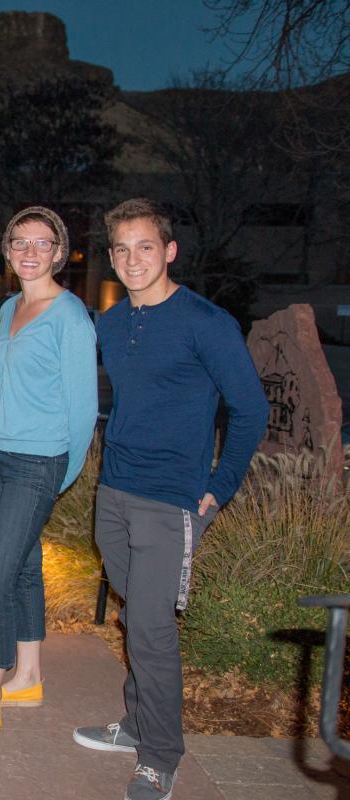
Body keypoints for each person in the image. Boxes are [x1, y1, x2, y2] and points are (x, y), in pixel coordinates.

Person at [73, 199, 268, 800]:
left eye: (146, 247)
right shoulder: (110, 322)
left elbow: (251, 409)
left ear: (170, 251)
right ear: (112, 257)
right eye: (123, 249)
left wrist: (219, 486)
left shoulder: (206, 322)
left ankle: (160, 756)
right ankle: (137, 724)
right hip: (117, 491)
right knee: (137, 614)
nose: (134, 260)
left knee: (153, 627)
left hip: (174, 498)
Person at [0, 206, 98, 746]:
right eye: (18, 241)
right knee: (21, 568)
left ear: (59, 253)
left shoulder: (69, 316)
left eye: (41, 243)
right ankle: (30, 677)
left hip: (37, 463)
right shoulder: (10, 306)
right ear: (7, 250)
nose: (28, 251)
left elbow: (84, 409)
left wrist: (57, 476)